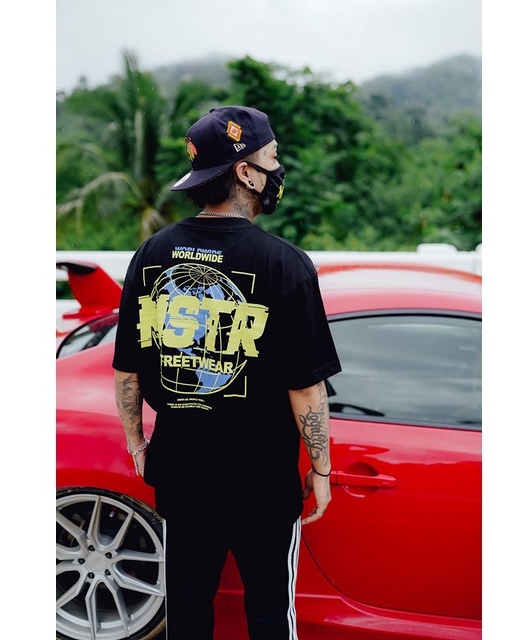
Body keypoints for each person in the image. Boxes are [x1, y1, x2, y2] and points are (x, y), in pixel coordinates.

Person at [112, 105, 342, 640]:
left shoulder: (151, 253)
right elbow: (306, 387)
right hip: (262, 480)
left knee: (187, 609)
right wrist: (322, 468)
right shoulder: (284, 263)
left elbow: (128, 371)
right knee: (269, 614)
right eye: (272, 158)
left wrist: (137, 443)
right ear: (245, 172)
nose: (278, 169)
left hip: (181, 473)